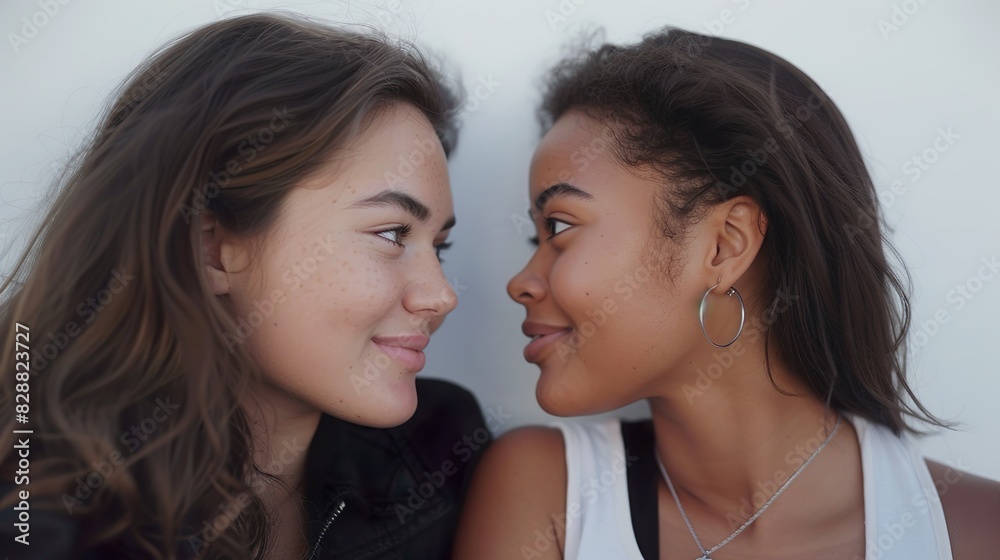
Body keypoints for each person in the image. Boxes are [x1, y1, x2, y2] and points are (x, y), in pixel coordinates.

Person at [454, 28, 1000, 559]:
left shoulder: (977, 532)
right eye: (536, 235)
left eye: (560, 228)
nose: (520, 281)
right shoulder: (547, 496)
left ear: (723, 246)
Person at [0, 13, 489, 560]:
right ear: (211, 247)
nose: (441, 295)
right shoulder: (36, 515)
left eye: (438, 247)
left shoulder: (443, 454)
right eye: (392, 234)